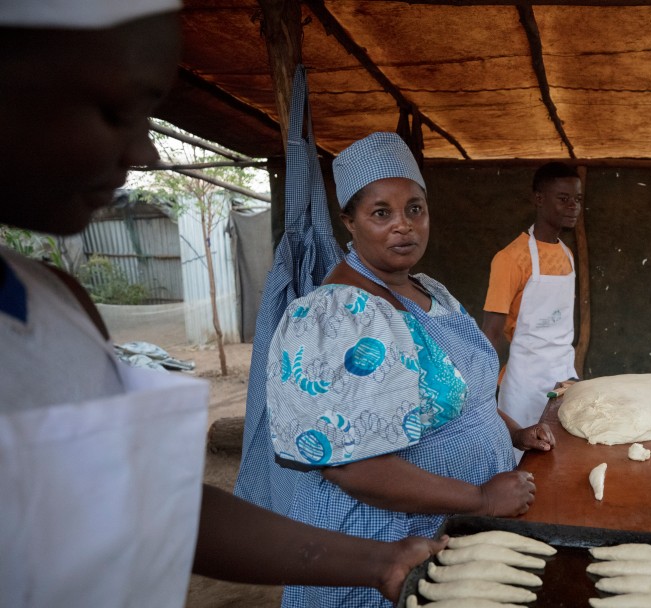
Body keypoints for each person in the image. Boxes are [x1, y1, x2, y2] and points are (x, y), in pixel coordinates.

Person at [0, 4, 442, 607]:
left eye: (414, 209)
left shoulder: (54, 304)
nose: (147, 154)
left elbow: (152, 498)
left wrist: (383, 563)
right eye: (114, 110)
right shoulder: (324, 313)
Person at [267, 132, 554, 608]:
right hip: (385, 544)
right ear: (350, 222)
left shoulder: (429, 290)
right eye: (382, 212)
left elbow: (464, 394)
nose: (404, 226)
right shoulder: (335, 314)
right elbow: (351, 466)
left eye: (415, 209)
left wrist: (513, 433)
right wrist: (480, 499)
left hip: (456, 523)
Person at [482, 162, 582, 429]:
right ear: (539, 199)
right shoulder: (510, 259)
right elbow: (491, 332)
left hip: (563, 380)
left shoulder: (567, 256)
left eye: (577, 199)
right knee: (522, 462)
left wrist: (570, 377)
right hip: (524, 386)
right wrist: (480, 391)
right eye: (563, 199)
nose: (573, 206)